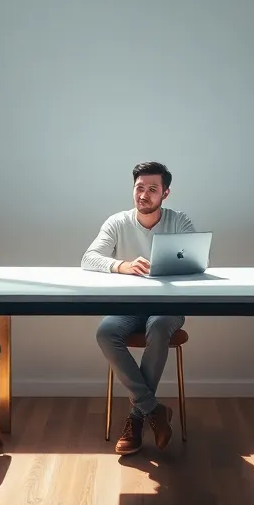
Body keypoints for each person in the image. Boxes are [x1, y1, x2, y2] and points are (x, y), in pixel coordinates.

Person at [81, 161, 197, 455]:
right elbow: (89, 258)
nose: (144, 195)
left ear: (165, 193)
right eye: (139, 188)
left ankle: (136, 417)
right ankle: (153, 409)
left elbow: (197, 263)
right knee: (105, 333)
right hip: (129, 305)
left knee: (158, 325)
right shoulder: (118, 222)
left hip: (168, 307)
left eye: (152, 189)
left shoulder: (179, 222)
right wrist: (122, 265)